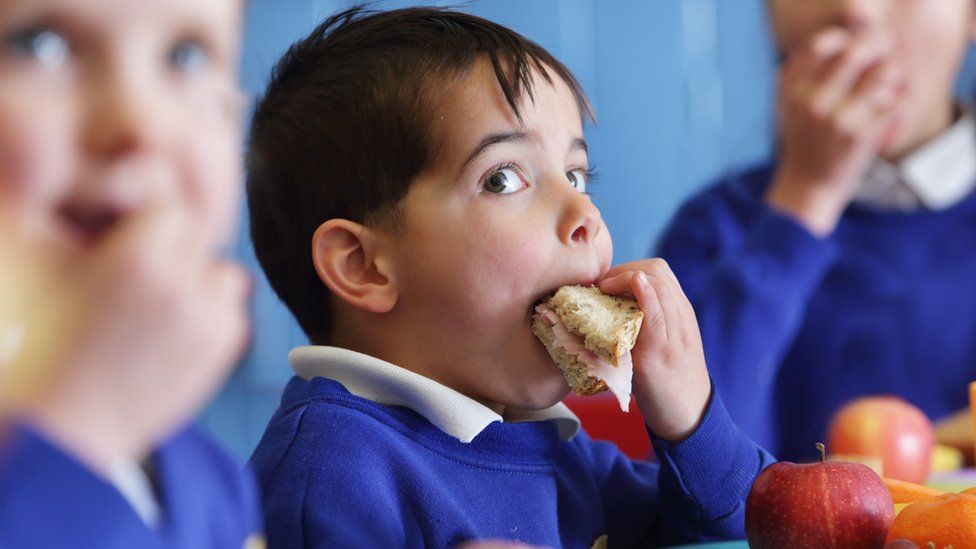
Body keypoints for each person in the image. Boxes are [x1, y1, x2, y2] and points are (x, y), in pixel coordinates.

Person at [245, 7, 775, 548]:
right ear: (363, 267)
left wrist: (691, 421)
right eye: (502, 178)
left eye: (576, 175)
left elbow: (749, 532)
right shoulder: (329, 473)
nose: (585, 215)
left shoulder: (557, 449)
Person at [655, 0, 976, 460]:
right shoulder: (713, 229)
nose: (856, 9)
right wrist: (805, 199)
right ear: (771, 15)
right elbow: (700, 480)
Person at [0, 0, 261, 546]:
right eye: (39, 44)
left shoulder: (209, 474)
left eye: (185, 56)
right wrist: (85, 426)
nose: (139, 124)